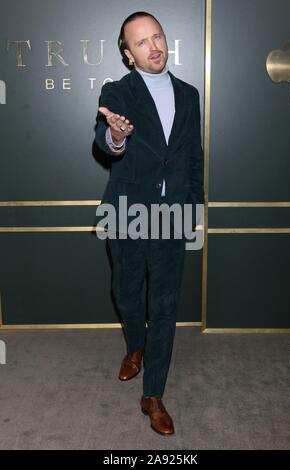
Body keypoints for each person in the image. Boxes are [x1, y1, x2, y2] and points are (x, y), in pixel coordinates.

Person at [94, 11, 204, 436]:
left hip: (171, 215)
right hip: (127, 212)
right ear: (128, 54)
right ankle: (134, 347)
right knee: (125, 292)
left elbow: (193, 158)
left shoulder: (190, 95)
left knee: (164, 305)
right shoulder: (117, 92)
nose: (153, 46)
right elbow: (105, 141)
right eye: (141, 42)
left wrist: (192, 208)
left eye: (157, 36)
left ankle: (153, 394)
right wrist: (117, 136)